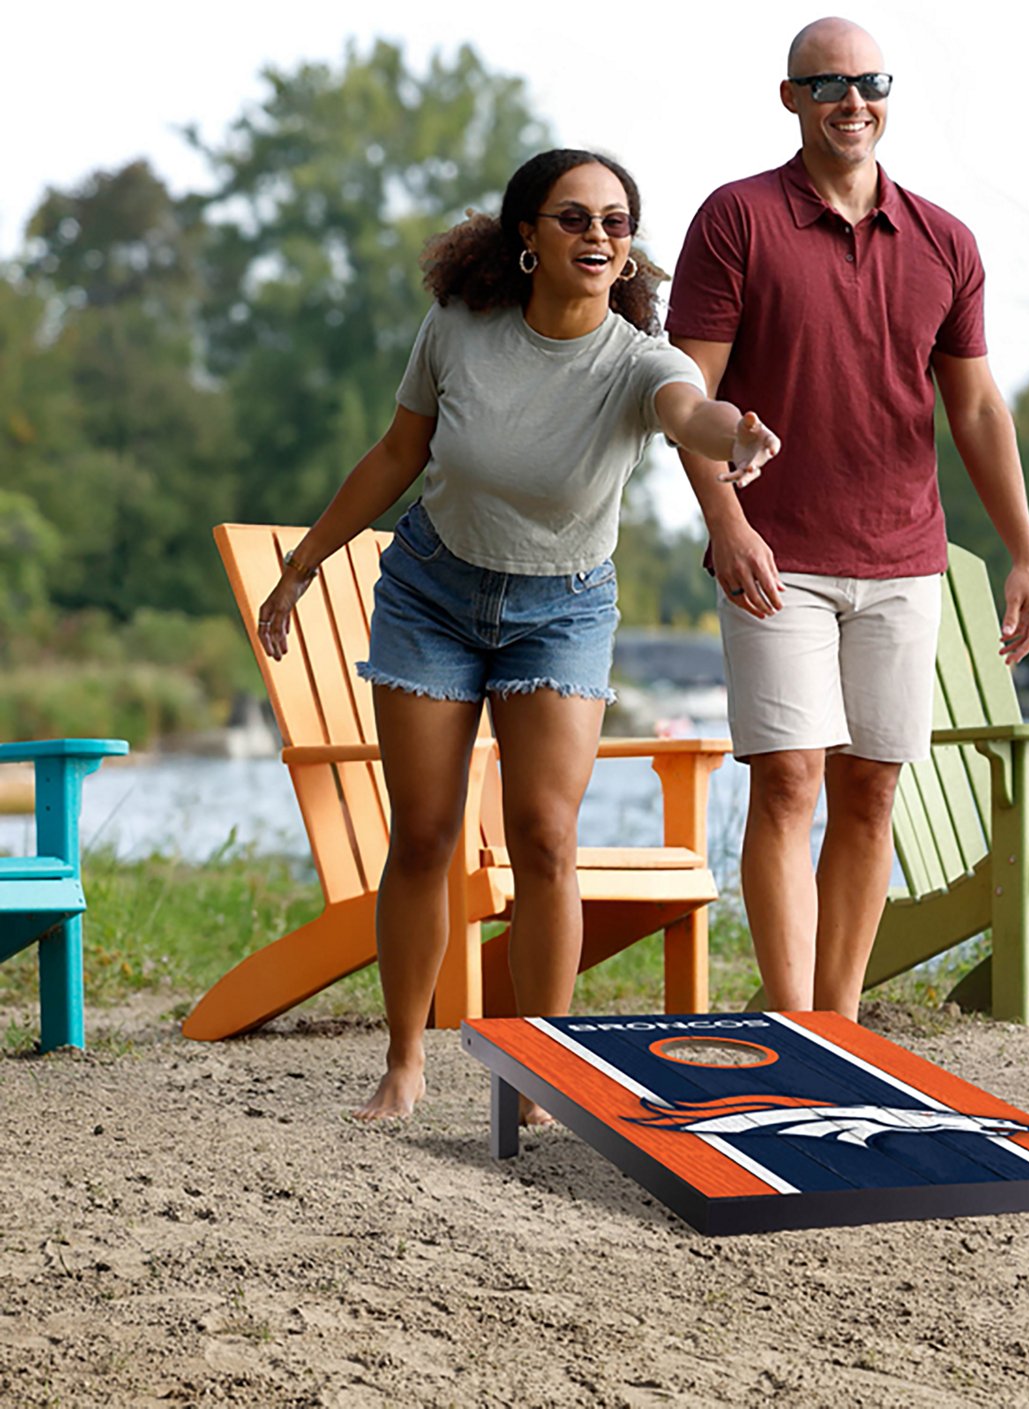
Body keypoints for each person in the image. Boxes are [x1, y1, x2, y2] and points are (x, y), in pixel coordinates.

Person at [255, 149, 781, 1122]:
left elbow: (688, 413)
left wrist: (733, 437)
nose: (597, 236)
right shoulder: (459, 329)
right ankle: (405, 1061)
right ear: (528, 238)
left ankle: (542, 1070)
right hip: (432, 596)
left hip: (563, 610)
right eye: (574, 218)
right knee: (423, 834)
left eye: (615, 223)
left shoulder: (639, 360)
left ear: (628, 252)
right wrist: (307, 561)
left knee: (545, 836)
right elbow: (398, 453)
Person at [666, 18, 1029, 1020]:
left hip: (903, 558)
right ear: (789, 98)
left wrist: (1022, 553)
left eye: (870, 82)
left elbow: (975, 408)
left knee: (872, 788)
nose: (853, 101)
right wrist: (727, 522)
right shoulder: (734, 221)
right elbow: (682, 398)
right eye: (829, 84)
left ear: (888, 94)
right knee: (789, 778)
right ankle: (790, 1018)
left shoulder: (944, 241)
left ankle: (835, 1019)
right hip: (775, 556)